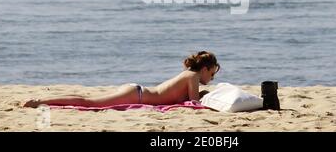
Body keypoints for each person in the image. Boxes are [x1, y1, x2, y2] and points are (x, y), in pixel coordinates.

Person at [24, 51, 219, 108]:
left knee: (88, 100)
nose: (212, 78)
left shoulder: (189, 75)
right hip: (138, 96)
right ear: (204, 69)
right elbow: (194, 102)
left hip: (138, 92)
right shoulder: (193, 76)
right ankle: (40, 101)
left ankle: (44, 100)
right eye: (212, 74)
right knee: (88, 103)